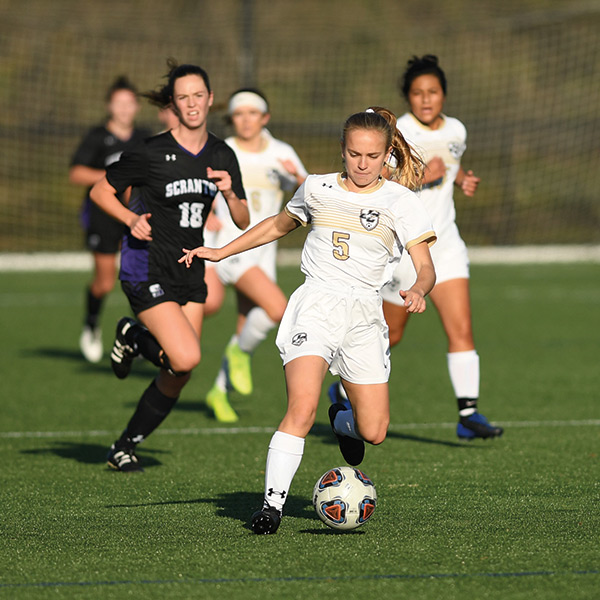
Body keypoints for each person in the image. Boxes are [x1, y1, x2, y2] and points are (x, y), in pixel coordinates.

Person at [180, 110, 436, 534]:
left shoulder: (401, 202)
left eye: (372, 156)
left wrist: (419, 289)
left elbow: (425, 266)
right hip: (315, 304)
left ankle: (343, 421)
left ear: (388, 154)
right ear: (342, 150)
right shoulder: (315, 187)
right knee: (300, 408)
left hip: (364, 316)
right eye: (354, 153)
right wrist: (221, 252)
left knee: (374, 431)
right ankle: (271, 508)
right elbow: (277, 226)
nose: (362, 163)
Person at [89, 61, 249, 472]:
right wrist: (130, 219)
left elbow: (244, 218)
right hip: (146, 267)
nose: (192, 104)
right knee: (187, 356)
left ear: (211, 99)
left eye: (199, 96)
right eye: (183, 97)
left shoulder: (221, 152)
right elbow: (99, 190)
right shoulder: (150, 150)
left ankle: (123, 445)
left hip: (189, 270)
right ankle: (133, 333)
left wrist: (231, 195)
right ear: (173, 104)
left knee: (179, 370)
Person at [333, 55, 503, 441]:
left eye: (433, 92)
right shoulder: (394, 131)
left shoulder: (457, 130)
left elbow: (450, 170)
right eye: (417, 93)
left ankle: (468, 414)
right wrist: (424, 175)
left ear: (444, 94)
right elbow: (378, 180)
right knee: (390, 335)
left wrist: (461, 182)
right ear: (407, 97)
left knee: (461, 329)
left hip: (446, 244)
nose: (426, 100)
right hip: (404, 251)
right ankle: (342, 388)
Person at [202, 88, 307, 423]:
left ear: (266, 118)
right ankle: (237, 352)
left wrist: (301, 178)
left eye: (253, 113)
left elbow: (309, 196)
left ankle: (218, 391)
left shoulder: (282, 152)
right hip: (231, 244)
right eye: (239, 114)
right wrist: (205, 213)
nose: (245, 120)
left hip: (265, 252)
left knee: (247, 324)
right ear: (231, 119)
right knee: (278, 308)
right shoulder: (222, 150)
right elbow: (196, 186)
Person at [69, 76, 150, 363]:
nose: (125, 109)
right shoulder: (97, 136)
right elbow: (76, 173)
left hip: (137, 215)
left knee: (138, 276)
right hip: (103, 215)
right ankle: (91, 325)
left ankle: (137, 335)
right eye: (119, 103)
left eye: (130, 103)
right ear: (109, 106)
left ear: (137, 107)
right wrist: (114, 179)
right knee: (104, 282)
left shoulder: (145, 137)